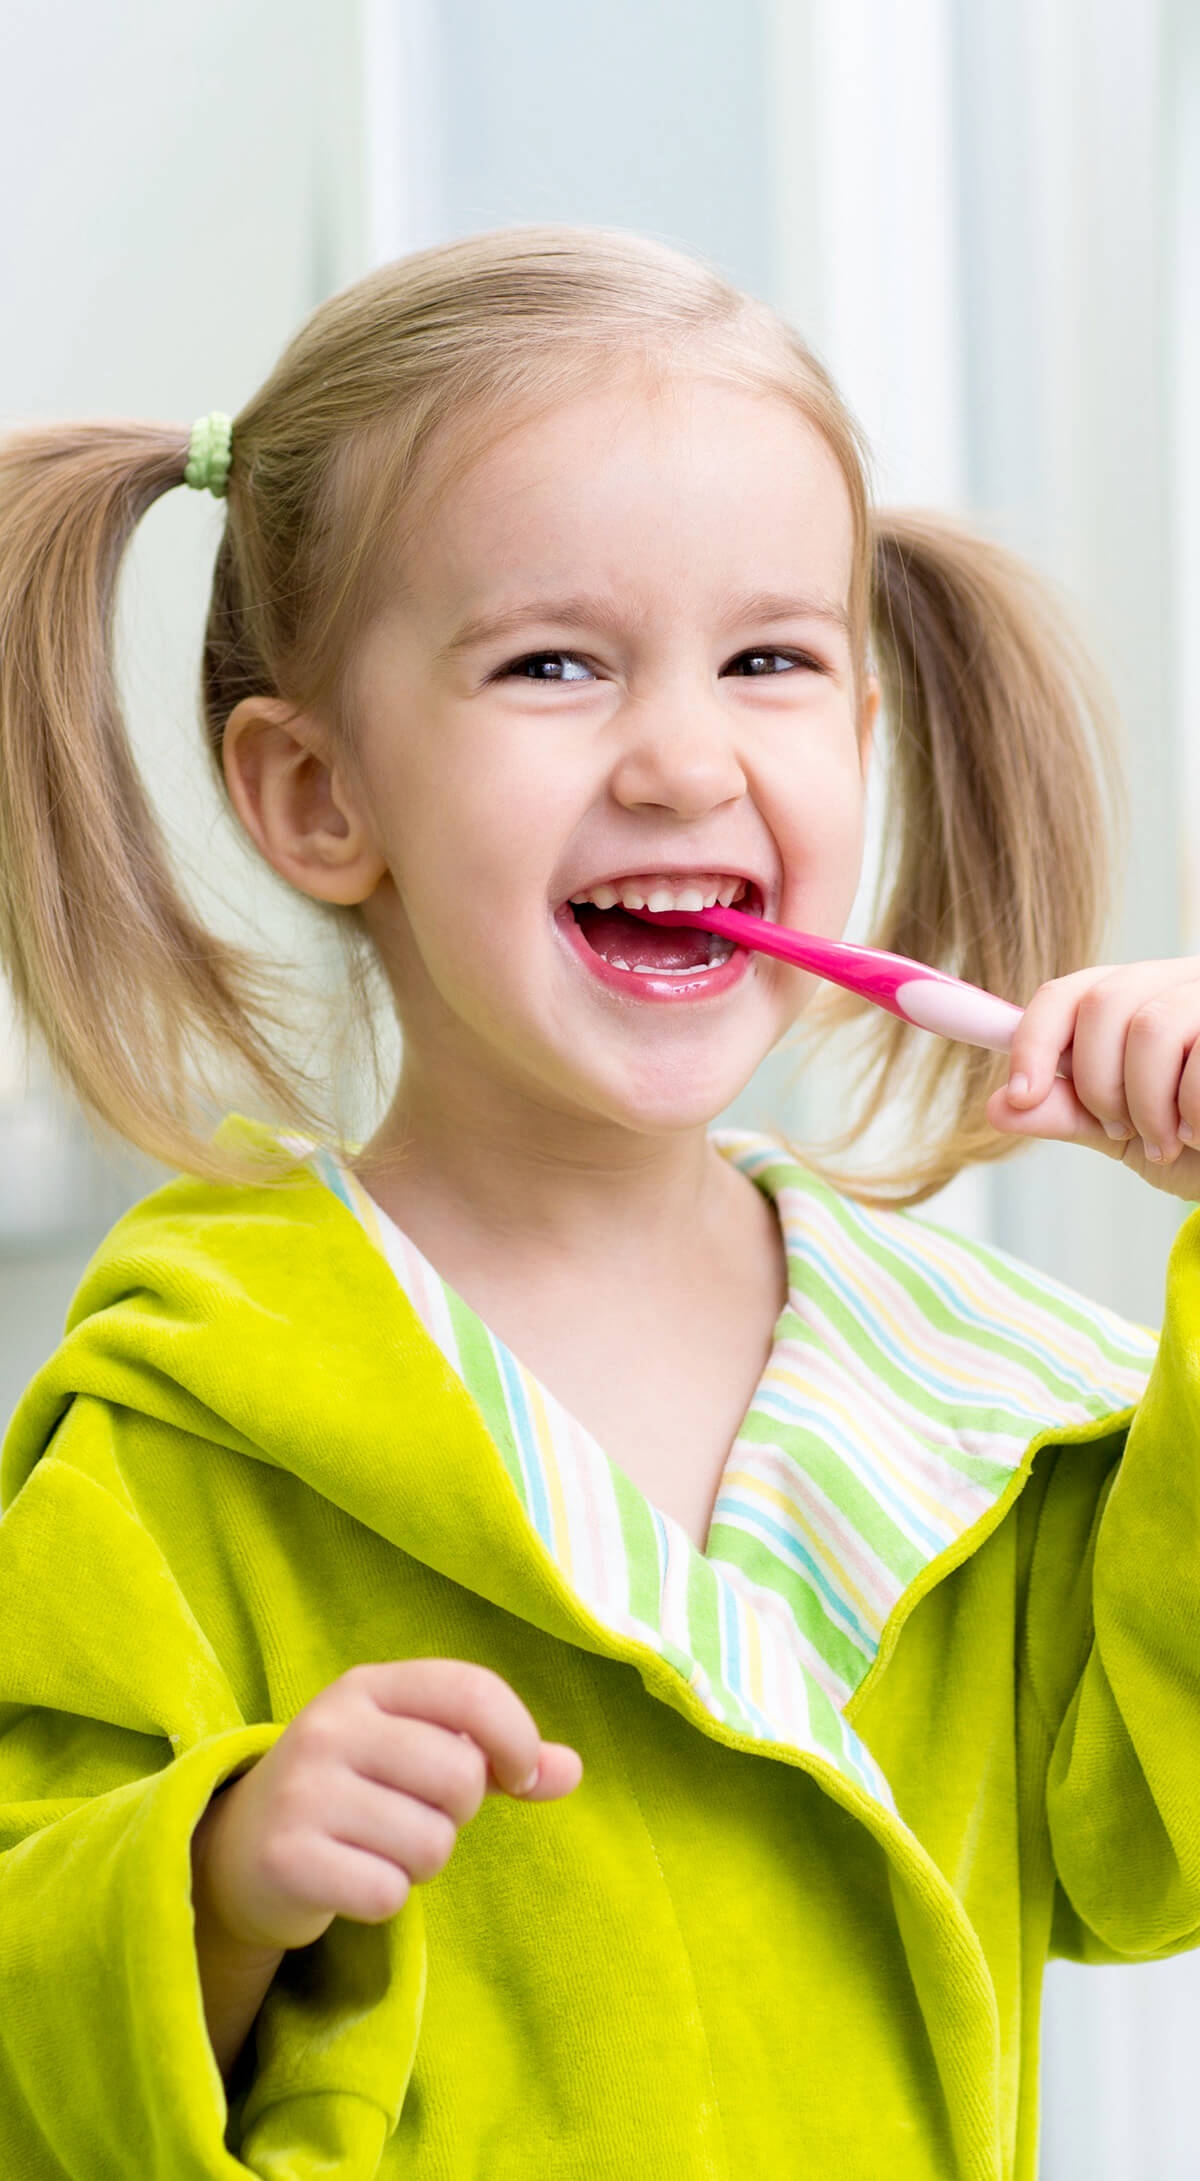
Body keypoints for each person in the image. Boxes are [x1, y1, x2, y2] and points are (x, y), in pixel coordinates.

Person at [0, 225, 1196, 2181]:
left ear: (862, 742)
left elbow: (1157, 1839)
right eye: (552, 660)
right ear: (317, 796)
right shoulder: (176, 1435)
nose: (681, 756)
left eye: (770, 660)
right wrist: (210, 1881)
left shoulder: (980, 1407)